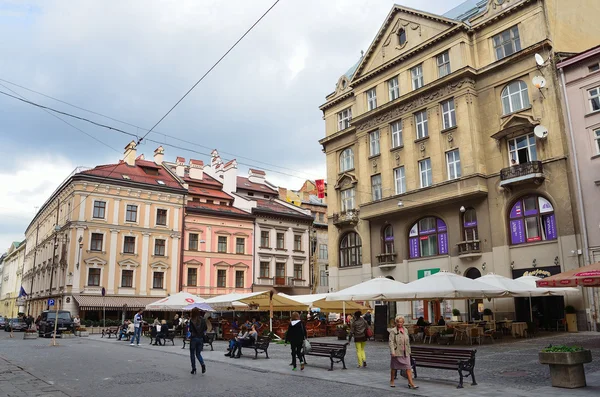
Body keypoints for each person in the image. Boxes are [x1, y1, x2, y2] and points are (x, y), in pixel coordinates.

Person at [389, 316, 418, 389]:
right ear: (396, 322)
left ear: (403, 323)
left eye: (401, 322)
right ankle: (392, 380)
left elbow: (408, 342)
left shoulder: (405, 330)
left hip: (405, 352)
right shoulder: (393, 331)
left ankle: (411, 383)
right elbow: (391, 342)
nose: (399, 323)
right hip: (397, 352)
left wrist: (409, 351)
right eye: (398, 322)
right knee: (394, 368)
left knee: (408, 367)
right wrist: (392, 351)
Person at [189, 308, 207, 374]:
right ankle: (202, 364)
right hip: (200, 338)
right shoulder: (203, 320)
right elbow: (205, 328)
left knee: (192, 354)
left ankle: (193, 368)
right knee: (198, 353)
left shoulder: (192, 320)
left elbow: (190, 330)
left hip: (194, 338)